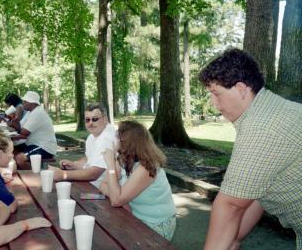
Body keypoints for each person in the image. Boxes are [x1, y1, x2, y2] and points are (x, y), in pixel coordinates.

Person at [199, 48, 302, 250]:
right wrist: (234, 238)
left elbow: (230, 205)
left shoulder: (262, 125)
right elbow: (254, 192)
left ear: (241, 89)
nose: (214, 104)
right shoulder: (273, 109)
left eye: (216, 93)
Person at [99, 120, 176, 240]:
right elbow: (103, 184)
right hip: (135, 216)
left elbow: (116, 200)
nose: (114, 140)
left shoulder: (147, 167)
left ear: (127, 141)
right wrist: (116, 193)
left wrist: (110, 166)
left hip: (155, 224)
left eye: (117, 136)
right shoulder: (125, 158)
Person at [48, 103, 116, 188]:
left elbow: (94, 173)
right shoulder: (92, 136)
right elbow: (88, 159)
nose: (90, 123)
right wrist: (74, 165)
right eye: (87, 120)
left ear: (105, 119)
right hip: (94, 185)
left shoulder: (107, 138)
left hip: (104, 190)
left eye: (95, 119)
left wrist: (63, 175)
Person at [12, 91, 57, 170]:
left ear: (32, 103)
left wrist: (14, 125)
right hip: (34, 144)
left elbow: (23, 132)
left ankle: (38, 175)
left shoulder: (37, 113)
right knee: (11, 149)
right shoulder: (31, 112)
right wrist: (15, 122)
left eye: (25, 101)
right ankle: (26, 172)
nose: (23, 103)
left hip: (44, 147)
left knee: (19, 159)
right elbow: (20, 128)